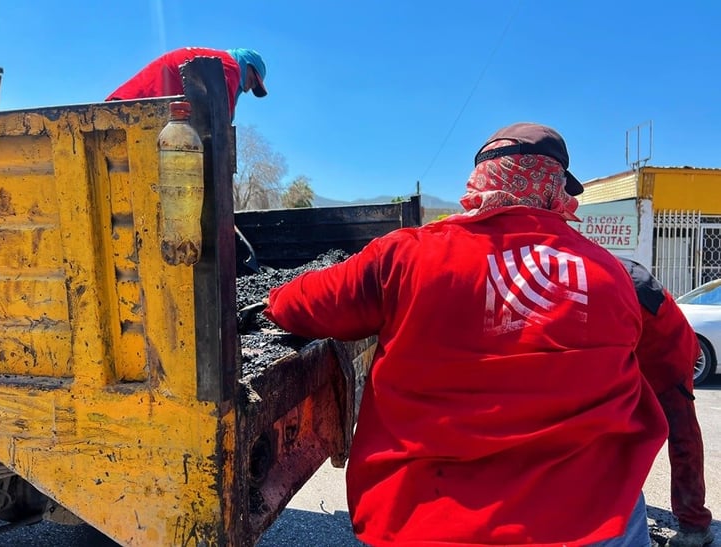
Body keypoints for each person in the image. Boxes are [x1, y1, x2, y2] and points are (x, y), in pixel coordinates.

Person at [262, 122, 669, 546]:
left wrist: (272, 298)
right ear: (557, 189)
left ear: (479, 182)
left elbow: (300, 305)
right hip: (592, 524)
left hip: (425, 523)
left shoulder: (407, 256)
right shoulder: (611, 276)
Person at [620, 258, 714, 547]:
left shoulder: (608, 277)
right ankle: (623, 506)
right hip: (636, 353)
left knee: (681, 433)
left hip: (667, 354)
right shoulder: (598, 269)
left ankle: (694, 525)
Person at [106, 47, 267, 120]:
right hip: (133, 108)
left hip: (129, 102)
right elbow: (223, 118)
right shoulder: (230, 66)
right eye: (251, 81)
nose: (247, 89)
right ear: (245, 64)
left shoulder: (219, 61)